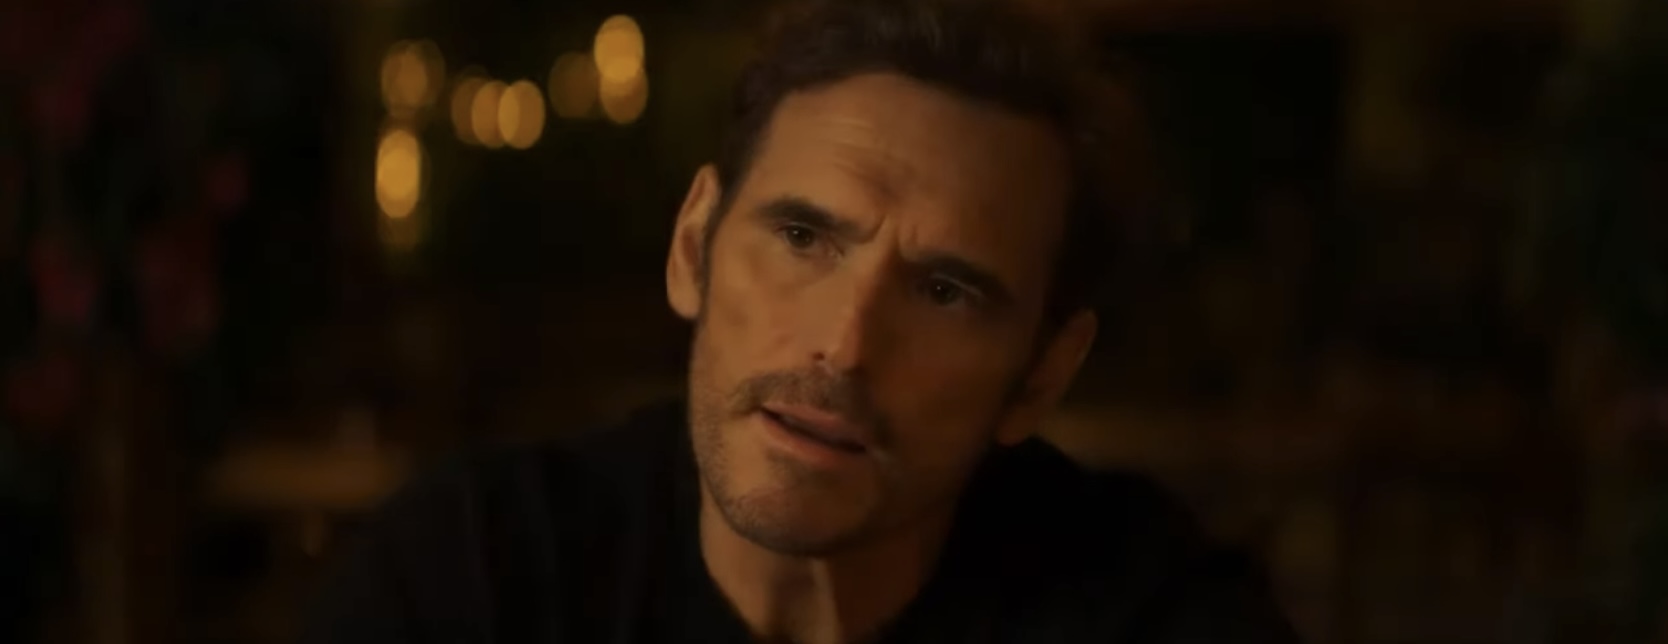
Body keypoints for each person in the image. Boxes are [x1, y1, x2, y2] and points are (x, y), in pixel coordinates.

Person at [303, 0, 1299, 641]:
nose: (846, 343)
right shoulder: (473, 573)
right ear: (693, 245)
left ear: (1040, 375)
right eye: (801, 236)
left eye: (945, 292)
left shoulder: (1152, 609)